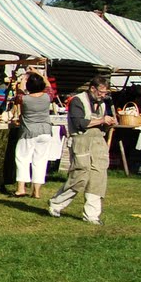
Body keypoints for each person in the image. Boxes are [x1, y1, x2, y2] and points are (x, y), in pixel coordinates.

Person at [49, 74, 117, 224]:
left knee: (98, 178)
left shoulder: (103, 104)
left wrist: (108, 123)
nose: (103, 95)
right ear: (92, 88)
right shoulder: (77, 101)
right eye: (101, 92)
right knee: (79, 176)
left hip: (98, 143)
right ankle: (56, 203)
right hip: (81, 142)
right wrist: (101, 120)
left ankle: (92, 215)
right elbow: (79, 123)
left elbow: (101, 124)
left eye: (105, 92)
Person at [13, 71, 56, 198]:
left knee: (22, 158)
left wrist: (23, 79)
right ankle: (36, 191)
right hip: (45, 131)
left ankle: (21, 188)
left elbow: (19, 92)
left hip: (29, 132)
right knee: (40, 161)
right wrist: (38, 73)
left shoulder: (24, 99)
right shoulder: (47, 97)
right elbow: (49, 85)